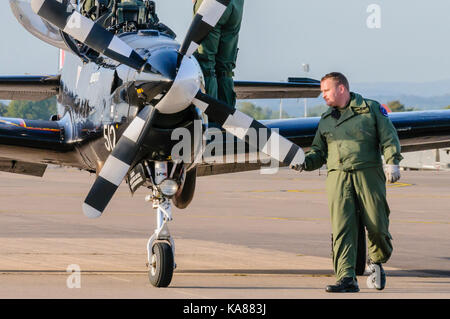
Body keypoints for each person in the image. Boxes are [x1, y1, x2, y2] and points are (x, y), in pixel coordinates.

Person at [292, 72, 403, 293]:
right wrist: (303, 162)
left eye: (326, 90)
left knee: (377, 226)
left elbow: (389, 136)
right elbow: (318, 152)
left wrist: (392, 161)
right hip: (338, 178)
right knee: (342, 228)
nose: (322, 95)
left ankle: (377, 260)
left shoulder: (370, 109)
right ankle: (346, 278)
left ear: (341, 88)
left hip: (367, 174)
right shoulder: (325, 121)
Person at [193, 0, 244, 108]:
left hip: (211, 4)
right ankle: (227, 119)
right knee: (226, 69)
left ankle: (210, 116)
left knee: (206, 64)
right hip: (236, 5)